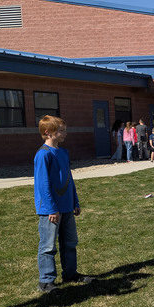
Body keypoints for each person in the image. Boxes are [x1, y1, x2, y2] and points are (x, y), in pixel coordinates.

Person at [34, 116, 94, 293]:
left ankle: (70, 273)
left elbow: (69, 179)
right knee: (48, 246)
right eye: (61, 130)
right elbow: (43, 185)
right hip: (50, 210)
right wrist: (52, 209)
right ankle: (46, 281)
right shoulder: (43, 154)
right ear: (48, 132)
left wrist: (75, 201)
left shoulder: (63, 152)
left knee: (70, 242)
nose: (65, 134)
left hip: (67, 206)